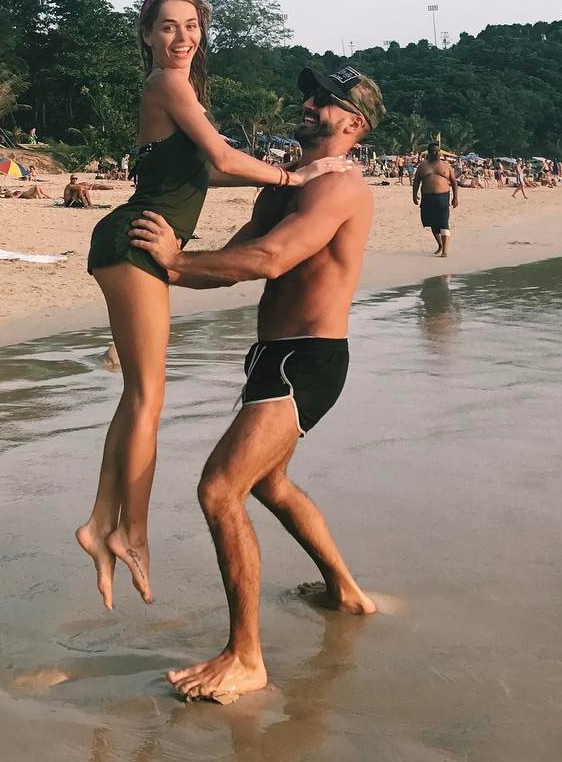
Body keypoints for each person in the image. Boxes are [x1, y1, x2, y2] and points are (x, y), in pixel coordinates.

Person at [77, 0, 352, 609]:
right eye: (168, 27)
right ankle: (132, 535)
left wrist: (279, 181)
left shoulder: (179, 91)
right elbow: (223, 153)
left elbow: (210, 169)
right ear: (147, 35)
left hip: (135, 241)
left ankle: (100, 522)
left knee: (137, 395)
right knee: (147, 398)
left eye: (192, 27)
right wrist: (295, 175)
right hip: (137, 239)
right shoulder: (168, 84)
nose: (182, 38)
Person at [128, 64, 385, 702]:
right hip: (272, 356)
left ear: (354, 123)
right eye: (310, 95)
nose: (309, 104)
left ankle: (246, 657)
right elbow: (231, 261)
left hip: (309, 360)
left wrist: (177, 260)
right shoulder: (285, 186)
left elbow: (272, 259)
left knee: (220, 489)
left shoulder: (341, 188)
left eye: (325, 100)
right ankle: (346, 592)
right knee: (268, 483)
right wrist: (159, 269)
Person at [412, 143, 458, 257]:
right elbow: (416, 181)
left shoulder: (446, 166)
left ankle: (445, 250)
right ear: (429, 153)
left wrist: (455, 197)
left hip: (442, 197)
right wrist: (414, 195)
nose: (437, 153)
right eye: (434, 151)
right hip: (427, 197)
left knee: (444, 223)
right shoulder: (423, 166)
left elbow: (454, 182)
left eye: (438, 151)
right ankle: (440, 244)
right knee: (432, 223)